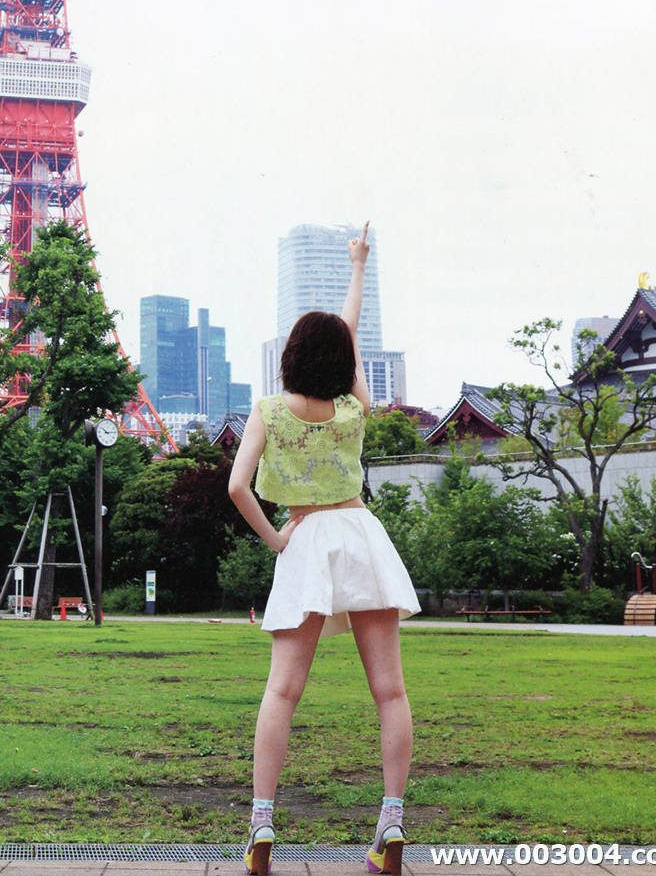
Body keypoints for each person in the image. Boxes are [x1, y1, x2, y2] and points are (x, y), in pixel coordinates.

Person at [228, 221, 420, 876]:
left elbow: (237, 486)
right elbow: (350, 333)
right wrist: (359, 267)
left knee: (281, 692)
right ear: (341, 362)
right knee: (389, 692)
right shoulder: (353, 406)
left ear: (289, 355)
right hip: (362, 533)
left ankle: (260, 826)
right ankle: (390, 823)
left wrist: (279, 536)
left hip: (308, 536)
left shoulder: (268, 410)